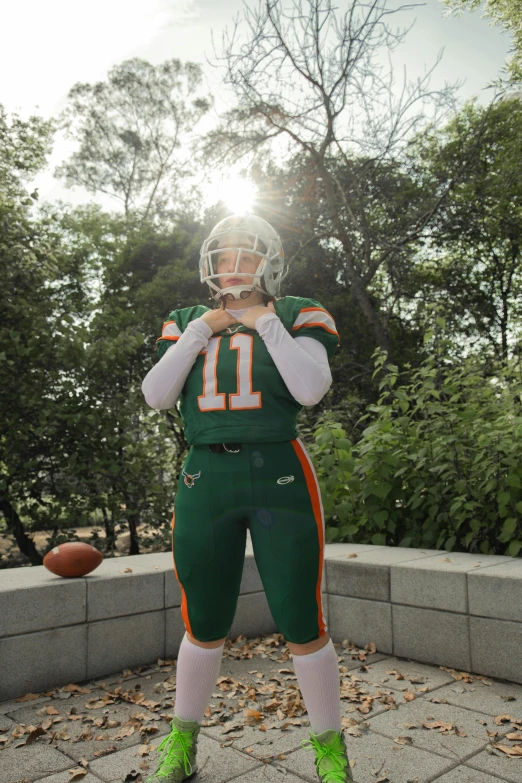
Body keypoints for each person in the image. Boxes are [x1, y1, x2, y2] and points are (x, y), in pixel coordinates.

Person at [141, 214, 353, 783]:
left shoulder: (293, 310)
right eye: (225, 254)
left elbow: (310, 389)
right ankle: (181, 743)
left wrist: (264, 324)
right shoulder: (188, 320)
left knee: (300, 615)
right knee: (203, 616)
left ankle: (330, 750)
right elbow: (157, 395)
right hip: (205, 477)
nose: (233, 265)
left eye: (246, 254)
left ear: (269, 262)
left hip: (279, 470)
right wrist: (199, 333)